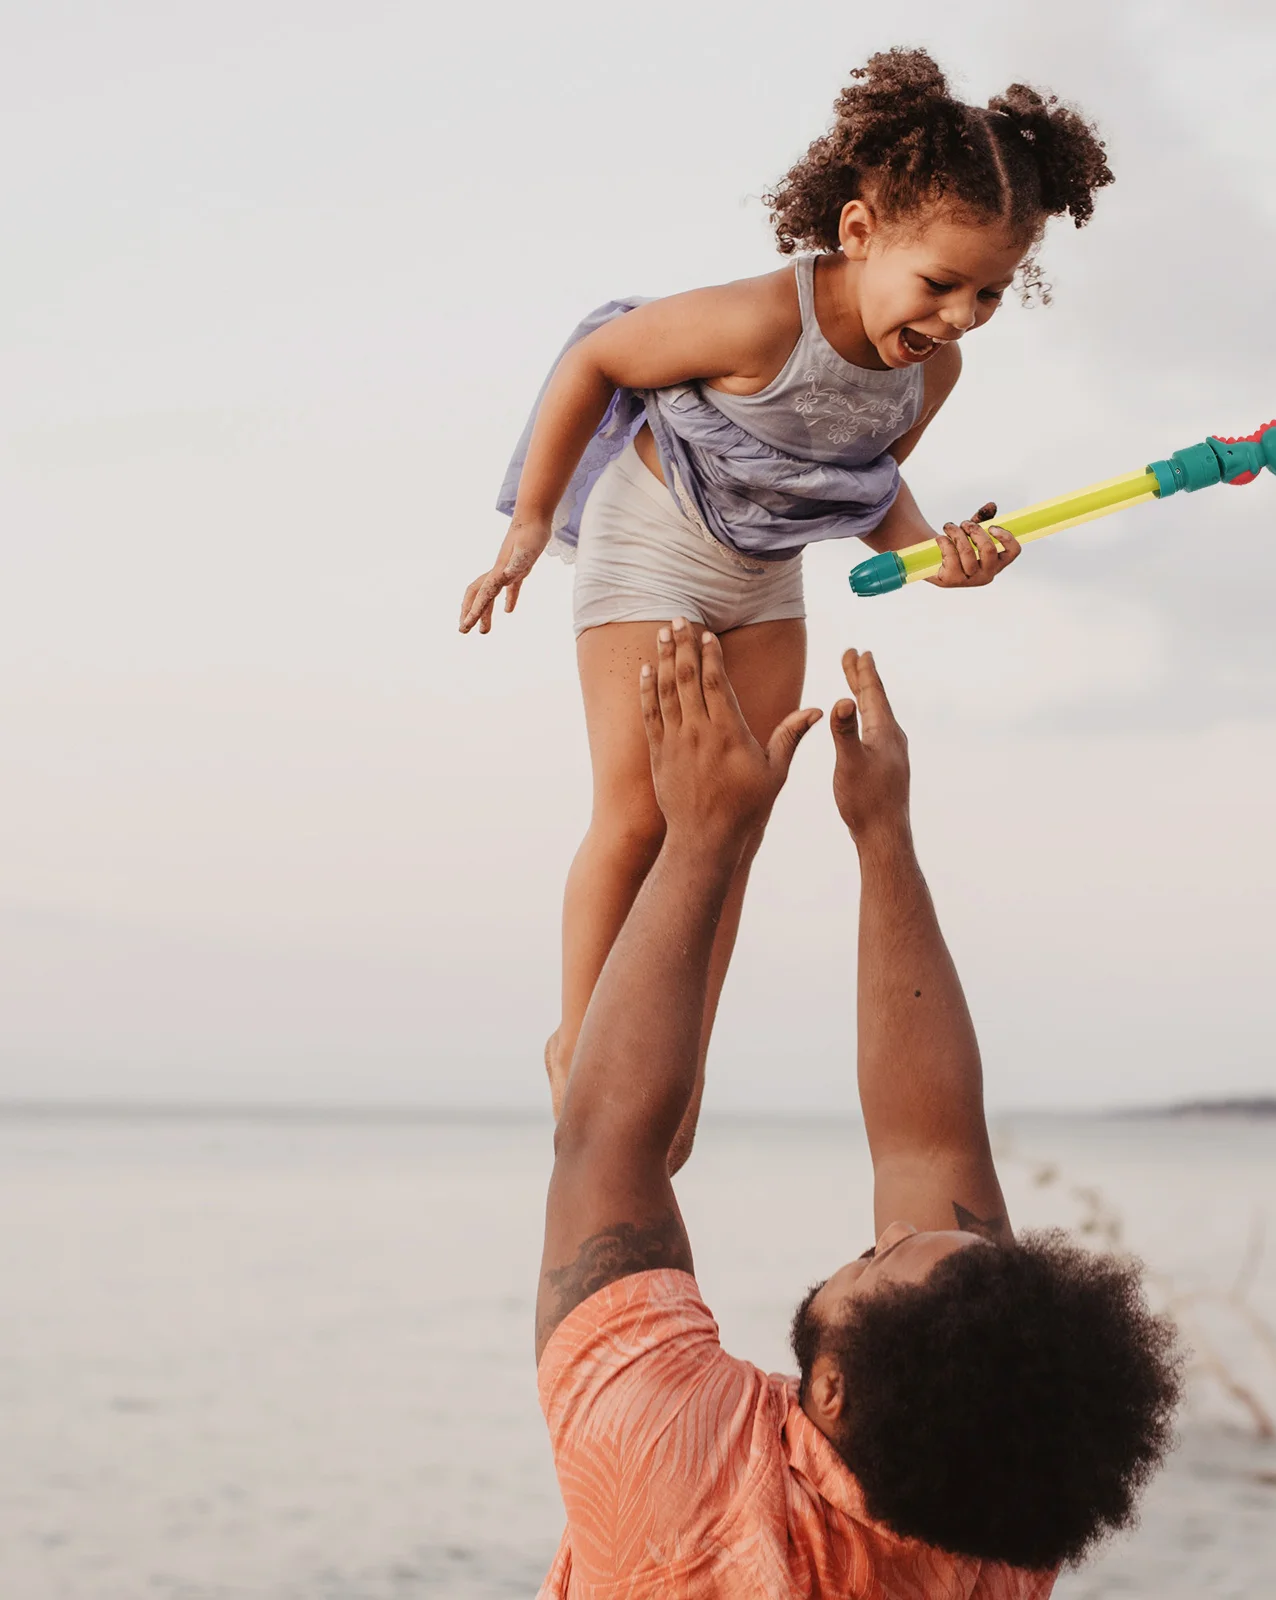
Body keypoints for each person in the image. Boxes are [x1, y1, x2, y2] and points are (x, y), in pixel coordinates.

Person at [458, 48, 1116, 1170]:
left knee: (731, 823)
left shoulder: (928, 375)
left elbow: (860, 486)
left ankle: (676, 1064)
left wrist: (933, 557)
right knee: (638, 808)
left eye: (990, 293)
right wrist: (527, 522)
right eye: (941, 283)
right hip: (654, 538)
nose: (960, 315)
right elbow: (597, 359)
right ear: (860, 234)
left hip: (763, 573)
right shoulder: (764, 319)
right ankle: (580, 1045)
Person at [534, 622, 1180, 1597]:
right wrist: (884, 837)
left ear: (831, 1391)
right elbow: (932, 1138)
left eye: (882, 1260)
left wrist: (707, 832)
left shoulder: (677, 1470)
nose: (886, 1232)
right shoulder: (995, 1506)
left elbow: (605, 1141)